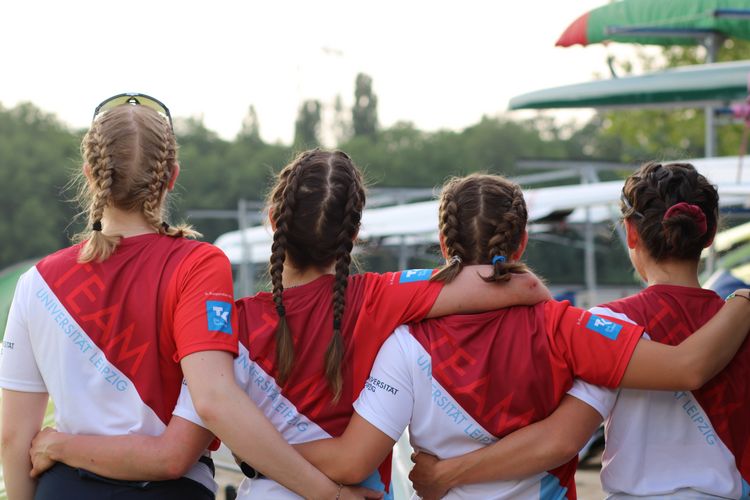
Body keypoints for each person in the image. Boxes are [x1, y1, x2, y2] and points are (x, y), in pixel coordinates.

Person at [26, 150, 551, 498]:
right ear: (355, 234)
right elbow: (509, 282)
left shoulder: (228, 326)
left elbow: (178, 446)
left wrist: (57, 444)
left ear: (272, 221)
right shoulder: (381, 297)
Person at [0, 96, 377, 500]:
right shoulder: (199, 265)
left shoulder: (34, 282)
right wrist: (331, 494)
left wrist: (59, 451)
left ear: (91, 175)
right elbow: (203, 416)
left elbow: (12, 439)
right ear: (172, 177)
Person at [284, 172, 750, 499]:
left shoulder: (404, 343)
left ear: (445, 245)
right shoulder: (569, 327)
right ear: (522, 241)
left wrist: (257, 443)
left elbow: (351, 461)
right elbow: (685, 368)